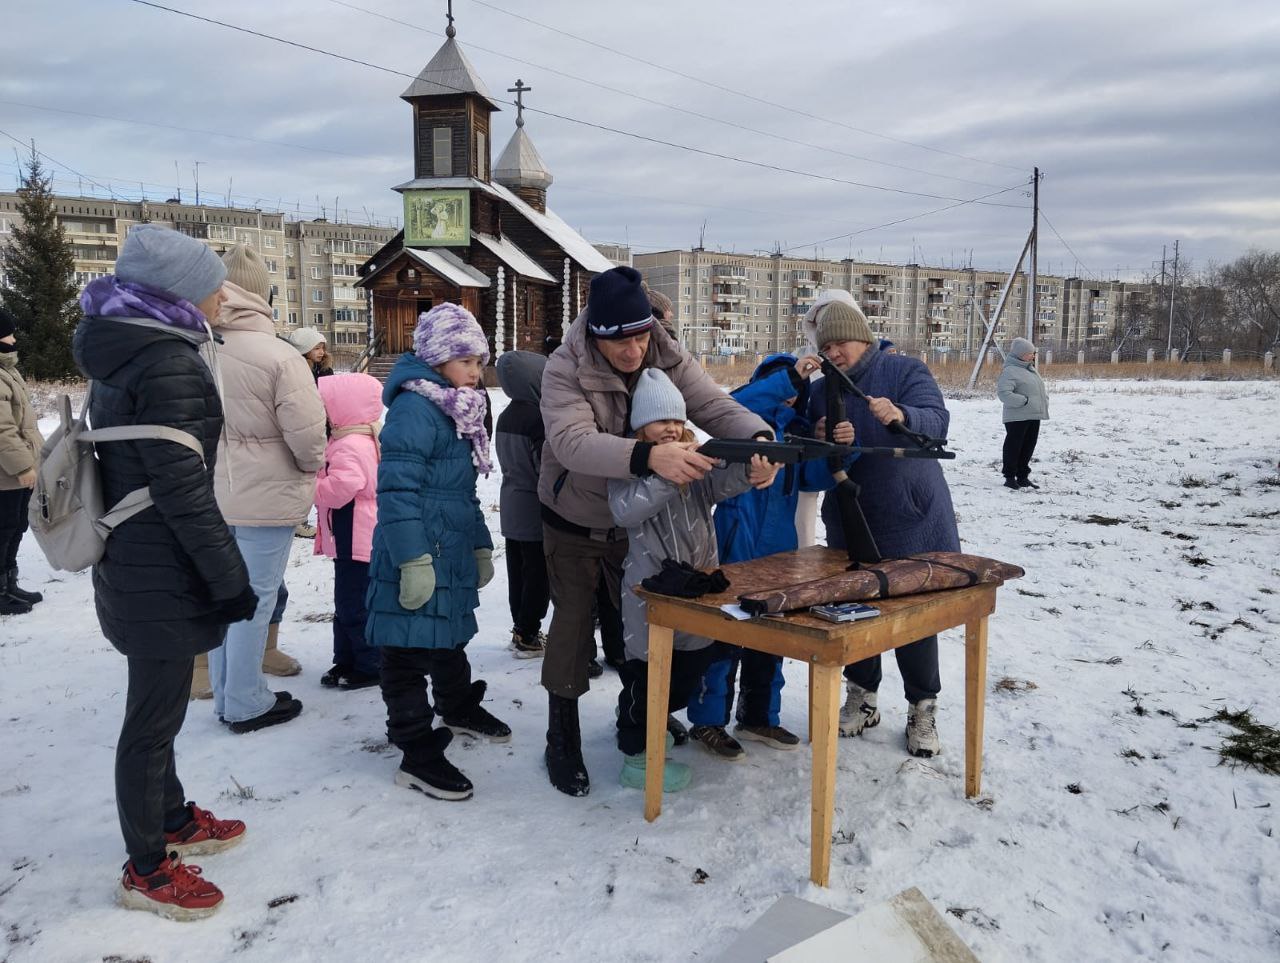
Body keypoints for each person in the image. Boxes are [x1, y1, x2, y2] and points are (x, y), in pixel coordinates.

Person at [73, 225, 258, 919]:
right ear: (177, 292)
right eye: (212, 284)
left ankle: (173, 814)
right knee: (151, 719)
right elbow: (182, 491)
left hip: (134, 556)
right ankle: (147, 867)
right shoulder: (167, 362)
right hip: (161, 566)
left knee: (165, 704)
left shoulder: (122, 345)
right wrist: (230, 579)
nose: (221, 295)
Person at [537, 265, 771, 796]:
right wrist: (650, 456)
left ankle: (640, 720)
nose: (634, 350)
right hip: (576, 515)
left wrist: (759, 440)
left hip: (641, 525)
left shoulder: (663, 349)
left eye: (642, 335)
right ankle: (562, 737)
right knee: (574, 630)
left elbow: (712, 404)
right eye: (620, 341)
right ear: (595, 333)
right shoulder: (564, 366)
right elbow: (572, 443)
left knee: (641, 635)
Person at [805, 296, 958, 759]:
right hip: (851, 520)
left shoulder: (904, 370)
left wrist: (902, 416)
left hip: (910, 517)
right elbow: (807, 444)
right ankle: (864, 694)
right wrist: (819, 437)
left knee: (914, 619)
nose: (833, 353)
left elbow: (937, 423)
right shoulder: (819, 389)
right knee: (856, 611)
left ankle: (922, 706)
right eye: (825, 345)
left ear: (863, 336)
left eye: (840, 343)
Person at [368, 303, 510, 802]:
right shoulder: (415, 409)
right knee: (405, 648)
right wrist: (411, 558)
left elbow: (462, 490)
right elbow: (396, 491)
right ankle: (414, 749)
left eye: (480, 361)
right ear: (437, 358)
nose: (477, 372)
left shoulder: (456, 407)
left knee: (448, 636)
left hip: (445, 545)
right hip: (416, 548)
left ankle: (456, 703)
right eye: (467, 361)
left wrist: (477, 543)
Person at [609, 369, 775, 791]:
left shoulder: (694, 457)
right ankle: (637, 757)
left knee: (689, 667)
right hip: (650, 595)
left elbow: (721, 484)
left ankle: (658, 723)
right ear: (639, 427)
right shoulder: (630, 466)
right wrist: (668, 475)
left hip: (696, 591)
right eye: (660, 420)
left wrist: (751, 473)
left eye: (677, 421)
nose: (671, 428)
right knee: (647, 676)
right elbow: (625, 512)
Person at [207, 244, 325, 734]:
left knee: (222, 598)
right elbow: (308, 436)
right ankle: (245, 700)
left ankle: (225, 693)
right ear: (261, 294)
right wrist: (310, 467)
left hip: (211, 494)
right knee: (255, 598)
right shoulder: (278, 354)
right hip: (266, 496)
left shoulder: (197, 347)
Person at [686, 352, 821, 759]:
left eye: (798, 389)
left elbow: (817, 477)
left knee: (770, 638)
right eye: (783, 385)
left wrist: (841, 446)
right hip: (734, 546)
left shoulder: (796, 440)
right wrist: (789, 379)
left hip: (779, 554)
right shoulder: (740, 429)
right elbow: (741, 403)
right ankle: (708, 721)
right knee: (723, 637)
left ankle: (758, 714)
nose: (791, 395)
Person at [314, 372, 384, 689]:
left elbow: (345, 486)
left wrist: (310, 486)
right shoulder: (360, 439)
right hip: (354, 538)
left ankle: (370, 664)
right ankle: (346, 659)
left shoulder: (349, 445)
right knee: (348, 603)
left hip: (355, 537)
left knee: (353, 604)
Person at [495, 350, 551, 659]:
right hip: (533, 506)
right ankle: (528, 633)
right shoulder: (538, 417)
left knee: (517, 571)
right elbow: (544, 468)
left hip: (510, 502)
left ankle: (521, 627)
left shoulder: (507, 414)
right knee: (538, 573)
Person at [0, 306, 44, 614]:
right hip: (5, 473)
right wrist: (24, 467)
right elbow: (2, 430)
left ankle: (9, 583)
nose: (14, 338)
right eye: (9, 332)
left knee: (16, 526)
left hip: (15, 472)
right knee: (3, 528)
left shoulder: (8, 370)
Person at [997, 337, 1049, 490]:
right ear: (1020, 354)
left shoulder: (1030, 369)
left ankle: (1023, 476)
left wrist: (1043, 400)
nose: (1033, 356)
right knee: (1014, 447)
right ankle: (1010, 477)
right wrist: (1024, 401)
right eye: (1030, 353)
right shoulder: (1010, 370)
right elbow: (1004, 393)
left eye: (1033, 353)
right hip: (1017, 417)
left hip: (1033, 415)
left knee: (1028, 447)